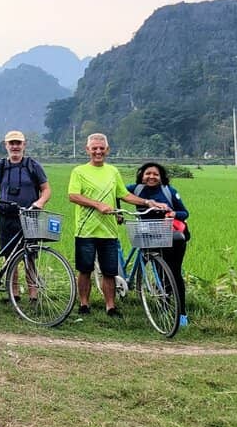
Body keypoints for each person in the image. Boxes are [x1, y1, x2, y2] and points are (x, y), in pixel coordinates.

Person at [67, 133, 169, 317]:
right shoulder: (79, 171)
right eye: (94, 148)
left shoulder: (113, 171)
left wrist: (148, 202)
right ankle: (83, 304)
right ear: (88, 150)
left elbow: (124, 194)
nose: (98, 151)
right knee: (85, 269)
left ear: (107, 150)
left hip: (109, 230)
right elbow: (73, 195)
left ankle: (111, 306)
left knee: (109, 271)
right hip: (85, 229)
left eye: (101, 148)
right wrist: (98, 205)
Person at [0, 131, 51, 296]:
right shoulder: (1, 166)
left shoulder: (33, 166)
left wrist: (39, 203)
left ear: (24, 144)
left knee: (29, 255)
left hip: (29, 217)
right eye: (11, 143)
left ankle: (33, 293)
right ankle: (13, 293)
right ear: (6, 145)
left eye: (18, 143)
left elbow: (46, 189)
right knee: (9, 256)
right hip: (7, 217)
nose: (15, 146)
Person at [128, 162, 191, 327]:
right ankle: (164, 304)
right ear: (142, 176)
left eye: (155, 174)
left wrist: (173, 213)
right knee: (160, 272)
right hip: (148, 234)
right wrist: (118, 212)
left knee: (174, 274)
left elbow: (185, 213)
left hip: (171, 238)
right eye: (148, 173)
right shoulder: (136, 189)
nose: (151, 177)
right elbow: (117, 192)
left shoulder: (169, 191)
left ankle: (181, 313)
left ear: (161, 177)